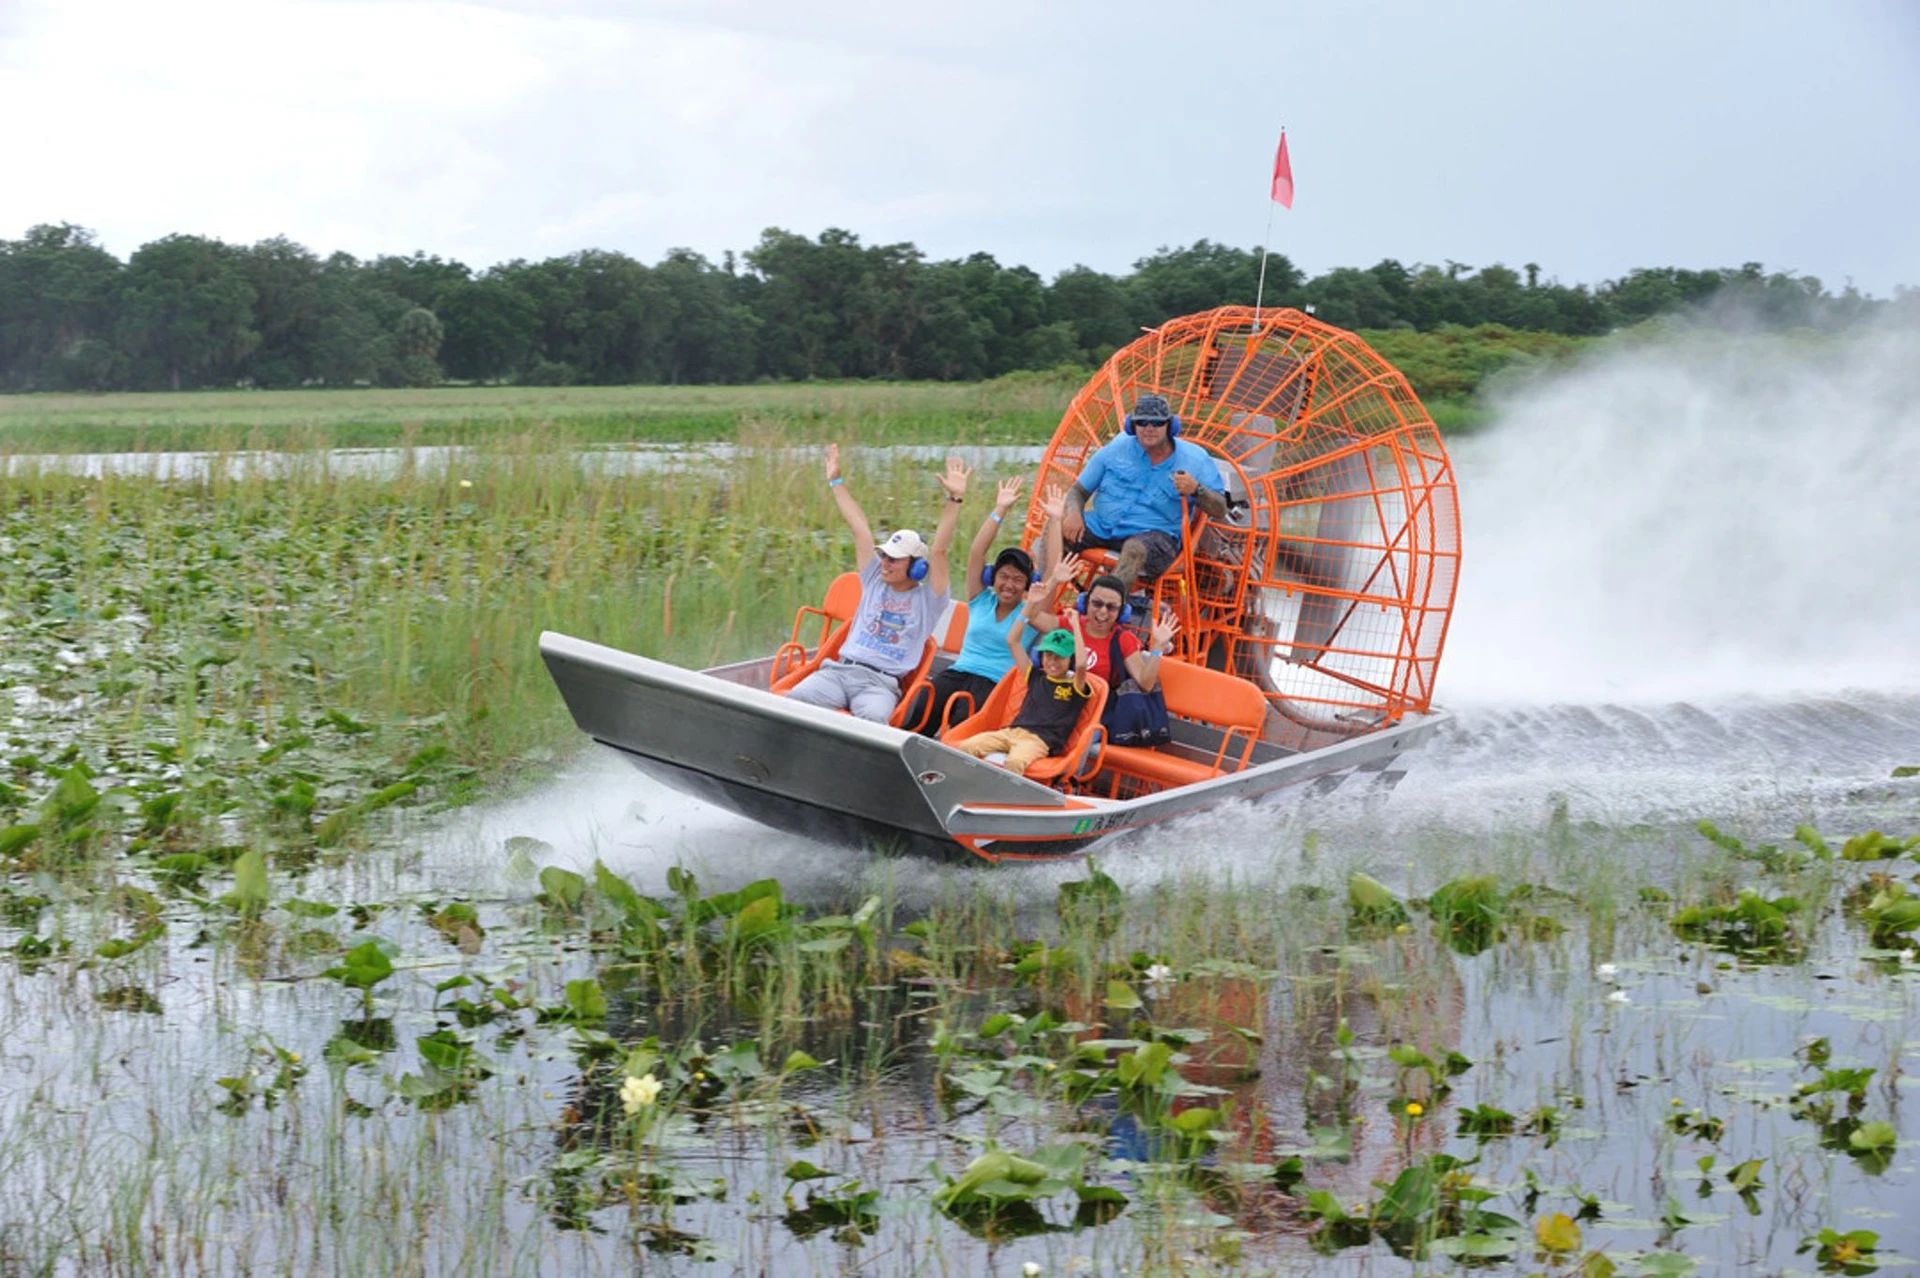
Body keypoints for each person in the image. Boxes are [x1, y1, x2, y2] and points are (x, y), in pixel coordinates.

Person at [784, 444, 965, 723]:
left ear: (917, 568)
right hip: (838, 672)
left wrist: (954, 500)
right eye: (883, 556)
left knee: (875, 724)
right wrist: (836, 480)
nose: (885, 563)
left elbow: (939, 550)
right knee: (792, 702)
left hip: (879, 685)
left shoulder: (930, 601)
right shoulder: (873, 580)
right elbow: (859, 527)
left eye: (894, 559)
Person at [911, 475, 1059, 736]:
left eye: (1017, 579)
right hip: (958, 673)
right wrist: (1000, 510)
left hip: (994, 685)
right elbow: (977, 552)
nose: (1009, 585)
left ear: (1027, 584)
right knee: (921, 709)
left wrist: (1056, 520)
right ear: (992, 577)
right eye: (1004, 576)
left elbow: (1054, 572)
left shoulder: (1031, 611)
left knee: (961, 725)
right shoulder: (981, 598)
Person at [1057, 391, 1227, 594]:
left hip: (1156, 538)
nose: (1149, 428)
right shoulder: (1115, 449)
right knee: (1055, 527)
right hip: (1103, 526)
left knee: (1134, 549)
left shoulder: (1195, 459)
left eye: (1157, 423)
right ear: (1132, 425)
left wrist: (1197, 490)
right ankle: (1037, 600)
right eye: (1142, 422)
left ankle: (1107, 608)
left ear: (1170, 426)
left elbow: (1220, 509)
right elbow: (1077, 491)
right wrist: (1074, 512)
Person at [1038, 488, 1182, 694]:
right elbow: (1033, 618)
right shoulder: (1070, 624)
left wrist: (1157, 648)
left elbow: (1145, 682)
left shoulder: (1122, 640)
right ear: (1084, 604)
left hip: (1096, 709)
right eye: (1096, 604)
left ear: (1122, 613)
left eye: (1111, 607)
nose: (1102, 612)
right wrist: (1053, 580)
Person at [951, 613, 1092, 777]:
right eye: (1048, 655)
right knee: (967, 746)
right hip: (1011, 732)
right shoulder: (1035, 676)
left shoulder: (1075, 686)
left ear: (1071, 660)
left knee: (1015, 762)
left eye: (1060, 657)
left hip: (1039, 741)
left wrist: (1075, 625)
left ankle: (1004, 799)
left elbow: (1082, 665)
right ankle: (965, 784)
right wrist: (1028, 610)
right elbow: (1012, 641)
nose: (1052, 662)